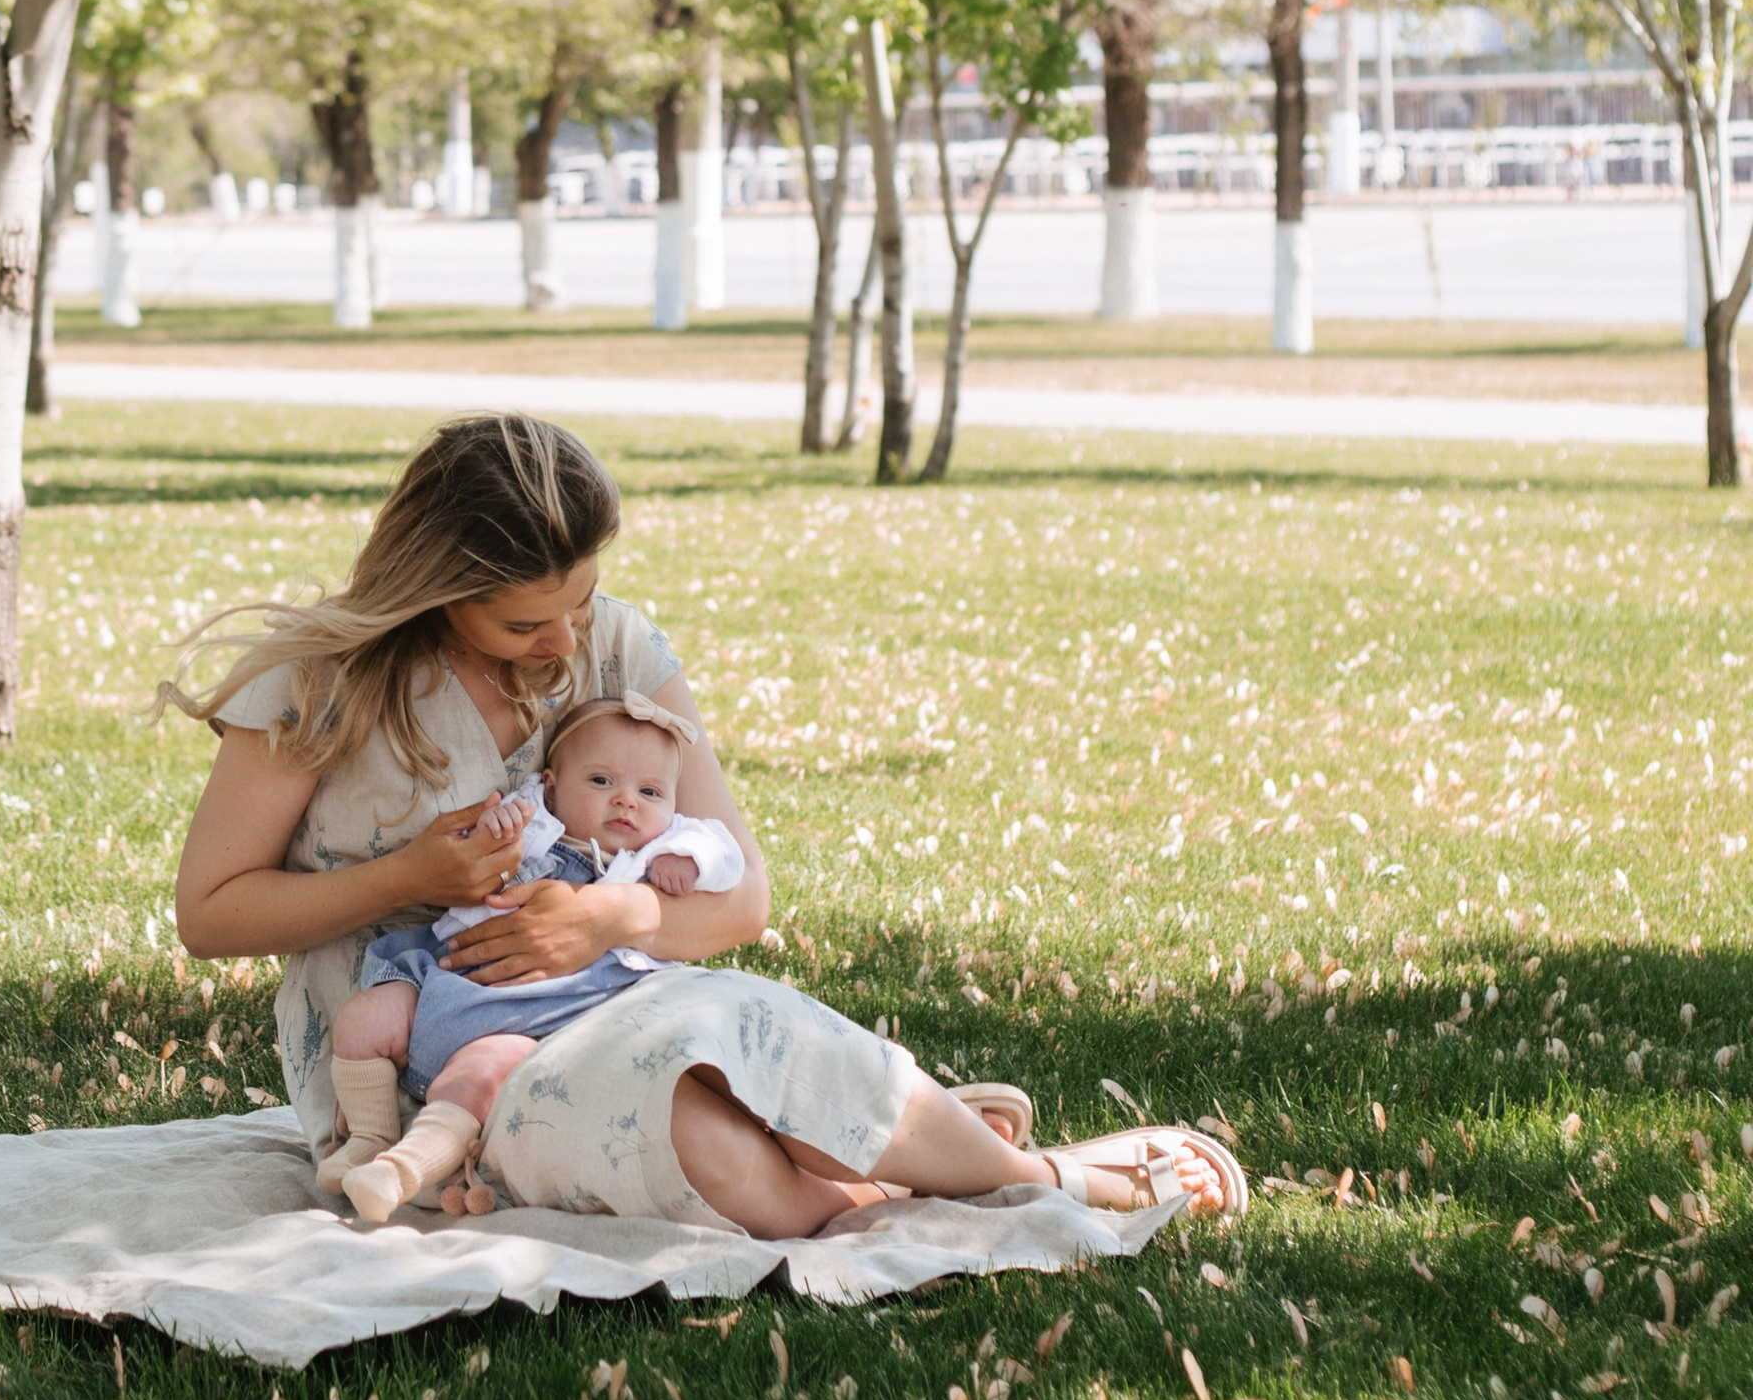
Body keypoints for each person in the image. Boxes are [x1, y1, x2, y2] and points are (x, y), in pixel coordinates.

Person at [167, 414, 1241, 1238]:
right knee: (708, 1146)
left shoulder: (620, 649)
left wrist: (609, 919)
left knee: (738, 1025)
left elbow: (739, 901)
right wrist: (406, 878)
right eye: (523, 621)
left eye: (580, 601)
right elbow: (210, 915)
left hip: (618, 1001)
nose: (564, 643)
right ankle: (905, 1164)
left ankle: (1041, 1178)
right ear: (434, 587)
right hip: (416, 1070)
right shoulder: (317, 683)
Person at [325, 691, 749, 1225]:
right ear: (551, 787)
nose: (627, 802)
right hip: (446, 980)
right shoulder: (532, 825)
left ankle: (399, 1173)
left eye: (650, 792)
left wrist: (688, 860)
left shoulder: (653, 853)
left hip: (530, 1021)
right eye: (602, 781)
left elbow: (723, 850)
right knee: (364, 1017)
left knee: (478, 1076)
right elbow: (473, 853)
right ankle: (367, 1138)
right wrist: (495, 827)